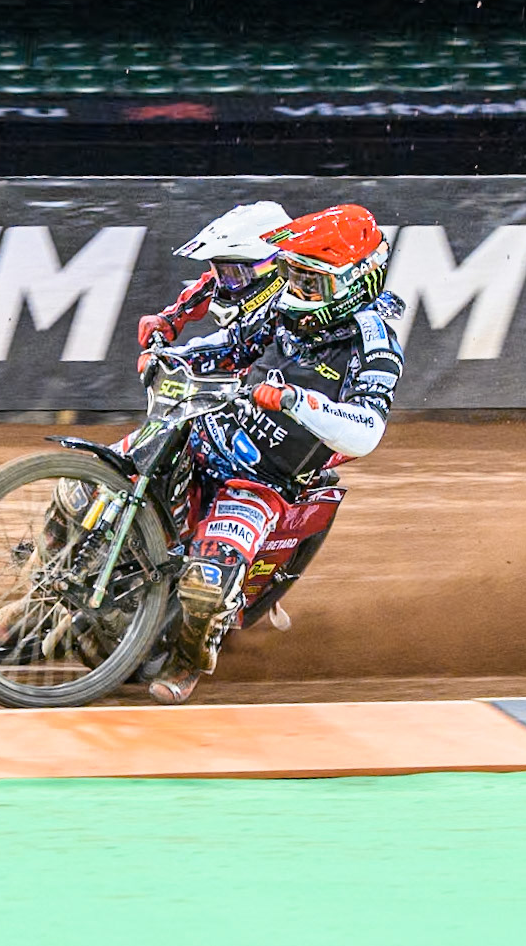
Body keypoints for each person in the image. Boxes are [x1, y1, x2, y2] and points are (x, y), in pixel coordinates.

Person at [145, 203, 405, 703]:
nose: (297, 291)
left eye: (312, 282)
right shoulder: (283, 305)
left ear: (357, 281)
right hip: (206, 431)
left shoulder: (374, 344)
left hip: (268, 479)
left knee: (205, 583)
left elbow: (368, 429)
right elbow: (230, 343)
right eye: (292, 274)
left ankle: (186, 660)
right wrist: (169, 354)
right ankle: (34, 598)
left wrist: (297, 400)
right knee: (90, 482)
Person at [136, 201, 292, 349]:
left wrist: (180, 361)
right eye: (223, 273)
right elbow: (211, 282)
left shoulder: (295, 310)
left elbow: (234, 351)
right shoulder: (275, 277)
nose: (224, 283)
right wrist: (168, 319)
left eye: (234, 275)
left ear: (272, 268)